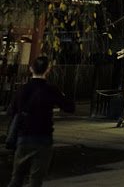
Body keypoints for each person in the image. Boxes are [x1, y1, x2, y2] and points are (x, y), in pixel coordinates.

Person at [7, 56, 75, 187]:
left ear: (31, 68)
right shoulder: (51, 90)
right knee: (36, 179)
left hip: (24, 136)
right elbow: (69, 107)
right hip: (43, 137)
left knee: (17, 177)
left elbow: (12, 110)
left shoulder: (22, 89)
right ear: (48, 69)